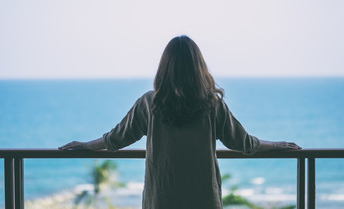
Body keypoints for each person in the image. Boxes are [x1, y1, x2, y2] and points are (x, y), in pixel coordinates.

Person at [59, 35, 301, 209]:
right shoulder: (212, 105)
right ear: (199, 67)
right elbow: (244, 143)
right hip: (204, 200)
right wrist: (277, 144)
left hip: (161, 200)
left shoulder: (150, 103)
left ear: (165, 67)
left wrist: (85, 145)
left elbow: (115, 139)